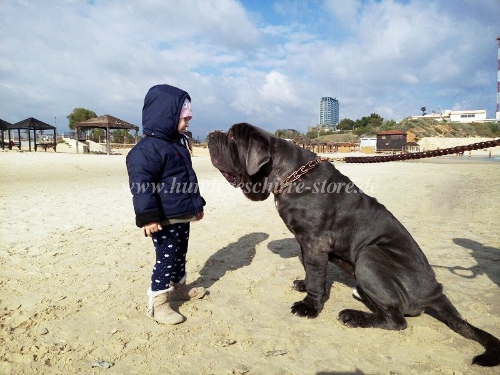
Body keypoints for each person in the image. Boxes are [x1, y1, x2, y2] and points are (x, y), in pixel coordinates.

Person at [126, 84, 206, 325]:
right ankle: (159, 302)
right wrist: (148, 217)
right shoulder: (145, 151)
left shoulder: (177, 145)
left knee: (181, 253)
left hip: (182, 214)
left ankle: (179, 287)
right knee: (166, 258)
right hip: (163, 218)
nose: (188, 123)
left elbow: (187, 179)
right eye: (184, 119)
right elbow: (141, 187)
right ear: (166, 117)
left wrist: (197, 205)